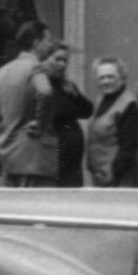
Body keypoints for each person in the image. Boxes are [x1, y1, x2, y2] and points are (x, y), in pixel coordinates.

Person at [0, 21, 57, 186]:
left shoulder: (3, 70)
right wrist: (41, 124)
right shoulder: (35, 67)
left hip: (9, 153)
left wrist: (8, 130)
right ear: (36, 43)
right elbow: (45, 92)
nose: (50, 45)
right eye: (47, 40)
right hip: (33, 155)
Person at [85, 56, 138, 188]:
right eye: (101, 77)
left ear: (122, 77)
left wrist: (110, 173)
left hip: (119, 179)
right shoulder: (100, 100)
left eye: (110, 76)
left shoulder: (129, 105)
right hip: (100, 178)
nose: (105, 81)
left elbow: (128, 149)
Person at [47, 45, 92, 187]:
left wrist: (75, 95)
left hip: (73, 158)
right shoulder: (44, 85)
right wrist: (73, 108)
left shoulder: (66, 85)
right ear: (46, 60)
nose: (62, 64)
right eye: (57, 59)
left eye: (65, 60)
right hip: (55, 154)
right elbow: (57, 112)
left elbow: (88, 110)